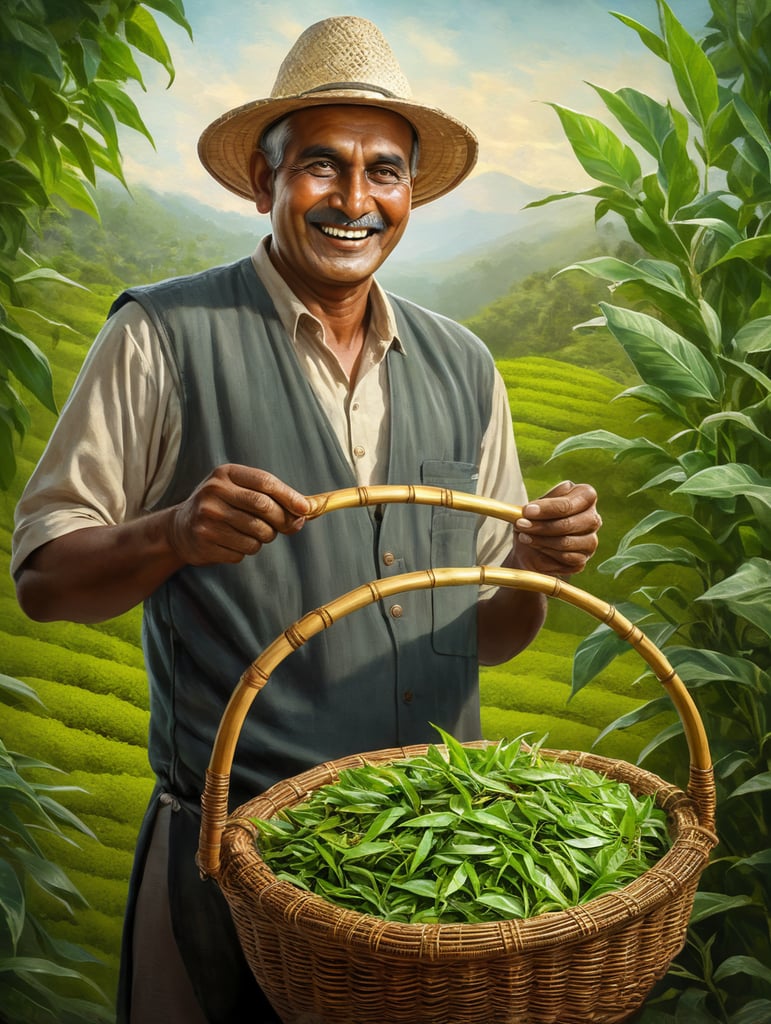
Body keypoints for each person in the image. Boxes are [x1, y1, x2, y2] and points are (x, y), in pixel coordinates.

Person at [11, 15, 602, 1024]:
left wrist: (534, 566)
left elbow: (492, 637)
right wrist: (173, 533)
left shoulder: (466, 366)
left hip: (427, 868)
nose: (356, 199)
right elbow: (44, 577)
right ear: (264, 183)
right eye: (321, 167)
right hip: (229, 863)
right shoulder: (163, 334)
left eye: (385, 172)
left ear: (412, 192)